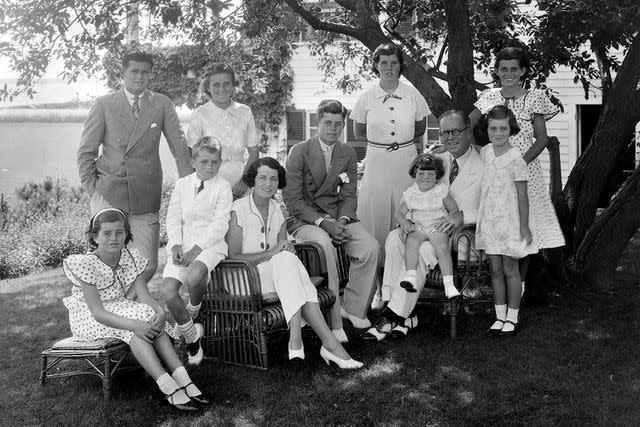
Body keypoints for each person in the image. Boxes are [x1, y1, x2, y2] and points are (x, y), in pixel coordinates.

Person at [62, 208, 208, 411]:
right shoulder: (85, 263)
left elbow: (145, 296)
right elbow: (97, 312)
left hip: (119, 307)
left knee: (148, 314)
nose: (114, 238)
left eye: (119, 232)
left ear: (126, 234)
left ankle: (182, 378)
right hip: (88, 316)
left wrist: (160, 312)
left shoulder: (128, 257)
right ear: (94, 237)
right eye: (106, 233)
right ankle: (167, 386)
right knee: (136, 324)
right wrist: (135, 325)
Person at [227, 157, 363, 369]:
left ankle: (304, 340)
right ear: (252, 180)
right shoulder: (238, 210)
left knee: (287, 257)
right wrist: (275, 252)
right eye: (262, 177)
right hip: (244, 277)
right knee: (286, 261)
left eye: (273, 179)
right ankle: (326, 344)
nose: (268, 183)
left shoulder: (277, 210)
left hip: (276, 275)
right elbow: (233, 256)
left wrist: (286, 248)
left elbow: (283, 246)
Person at [366, 110, 484, 341]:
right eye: (444, 133)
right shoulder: (438, 161)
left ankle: (392, 317)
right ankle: (399, 307)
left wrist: (462, 215)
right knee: (393, 238)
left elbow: (494, 207)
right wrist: (406, 220)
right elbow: (421, 195)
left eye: (456, 131)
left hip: (459, 237)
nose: (450, 137)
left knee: (419, 251)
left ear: (468, 131)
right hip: (427, 228)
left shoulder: (484, 164)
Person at [77, 49, 193, 282]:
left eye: (145, 72)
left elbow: (180, 148)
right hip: (108, 192)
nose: (139, 76)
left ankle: (127, 309)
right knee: (107, 264)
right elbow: (86, 152)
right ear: (123, 73)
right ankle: (119, 315)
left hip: (145, 194)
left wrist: (189, 190)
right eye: (134, 71)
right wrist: (94, 191)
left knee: (147, 266)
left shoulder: (161, 104)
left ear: (151, 75)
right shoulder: (104, 104)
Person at [283, 99, 380, 343]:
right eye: (328, 123)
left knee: (370, 247)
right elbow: (292, 201)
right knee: (325, 246)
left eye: (338, 124)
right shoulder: (299, 151)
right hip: (305, 220)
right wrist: (324, 224)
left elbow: (349, 194)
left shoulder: (347, 152)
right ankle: (335, 320)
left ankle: (354, 308)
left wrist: (343, 222)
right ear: (317, 123)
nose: (333, 129)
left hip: (339, 217)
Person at [469, 46, 564, 289]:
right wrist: (480, 152)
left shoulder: (534, 97)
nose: (508, 73)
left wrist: (519, 163)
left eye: (514, 69)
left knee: (523, 229)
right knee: (500, 223)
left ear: (522, 71)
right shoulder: (489, 96)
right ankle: (503, 284)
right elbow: (465, 125)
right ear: (496, 71)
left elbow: (542, 139)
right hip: (495, 173)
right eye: (503, 69)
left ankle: (518, 287)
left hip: (525, 170)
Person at [160, 137, 233, 365]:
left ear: (220, 162)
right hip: (182, 245)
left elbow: (220, 223)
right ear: (193, 161)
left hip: (210, 245)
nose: (209, 167)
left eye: (214, 162)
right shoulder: (182, 184)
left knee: (194, 276)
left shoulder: (223, 187)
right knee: (168, 292)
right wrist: (175, 245)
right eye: (203, 162)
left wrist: (196, 250)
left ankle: (193, 310)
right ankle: (192, 337)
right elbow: (172, 217)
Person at [350, 42, 429, 250]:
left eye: (394, 63)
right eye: (383, 63)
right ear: (376, 65)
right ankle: (376, 265)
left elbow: (420, 128)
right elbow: (359, 132)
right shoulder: (366, 97)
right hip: (377, 161)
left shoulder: (413, 95)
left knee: (408, 205)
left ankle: (406, 264)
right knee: (375, 209)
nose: (389, 68)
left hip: (406, 160)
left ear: (401, 66)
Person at [476, 105, 537, 335]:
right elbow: (470, 149)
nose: (498, 133)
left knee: (510, 268)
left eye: (503, 129)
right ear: (487, 129)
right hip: (490, 220)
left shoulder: (516, 159)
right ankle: (499, 317)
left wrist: (523, 227)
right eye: (493, 128)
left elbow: (523, 195)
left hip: (510, 222)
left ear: (511, 130)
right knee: (495, 270)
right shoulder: (486, 152)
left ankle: (513, 316)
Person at [187, 63, 260, 198]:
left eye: (227, 84)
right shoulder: (199, 114)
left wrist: (245, 182)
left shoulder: (245, 111)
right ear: (208, 87)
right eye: (216, 85)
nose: (222, 89)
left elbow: (254, 153)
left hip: (240, 186)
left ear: (233, 86)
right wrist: (204, 186)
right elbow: (192, 154)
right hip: (209, 185)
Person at [395, 154, 460, 300]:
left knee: (442, 247)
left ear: (437, 176)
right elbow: (399, 214)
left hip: (436, 225)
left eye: (430, 174)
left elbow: (454, 209)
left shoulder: (441, 191)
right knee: (411, 243)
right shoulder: (411, 193)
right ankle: (411, 275)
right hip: (418, 226)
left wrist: (451, 218)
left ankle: (448, 284)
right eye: (421, 173)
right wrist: (404, 222)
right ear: (414, 174)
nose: (426, 177)